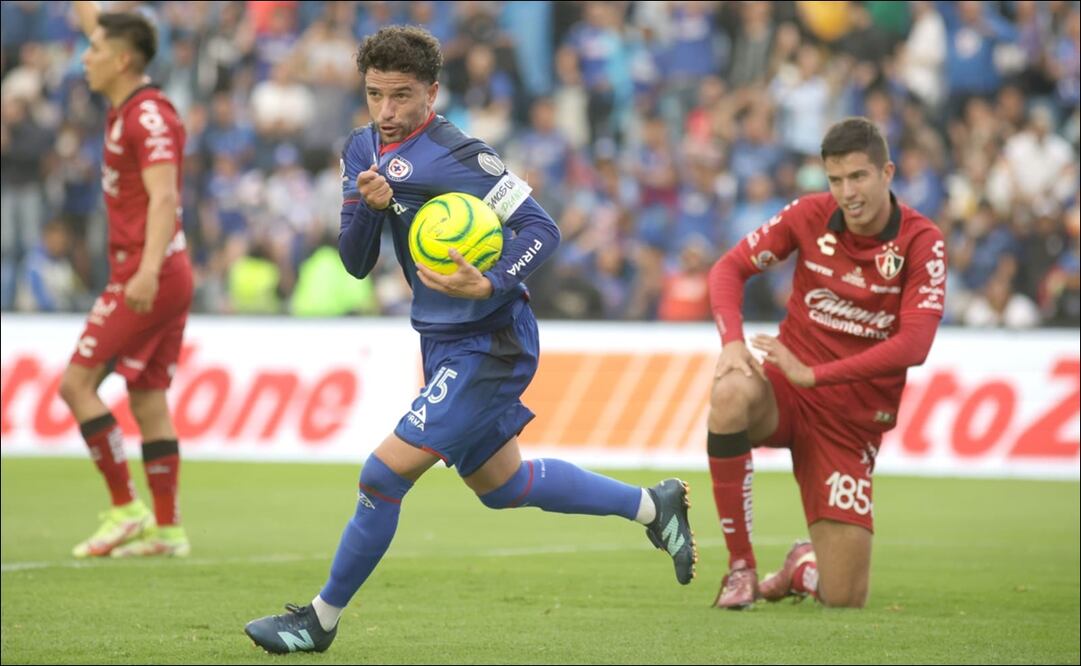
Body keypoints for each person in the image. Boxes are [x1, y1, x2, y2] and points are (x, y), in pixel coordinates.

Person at [244, 25, 697, 655]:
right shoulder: (360, 150)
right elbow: (353, 261)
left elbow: (542, 229)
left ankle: (318, 620)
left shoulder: (465, 156)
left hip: (493, 339)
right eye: (375, 95)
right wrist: (370, 205)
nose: (388, 111)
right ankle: (653, 506)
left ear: (432, 93)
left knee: (381, 477)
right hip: (439, 341)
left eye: (402, 96)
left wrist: (489, 282)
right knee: (502, 486)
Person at [706, 117, 947, 609]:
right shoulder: (809, 215)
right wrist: (732, 343)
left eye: (858, 177)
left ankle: (803, 567)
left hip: (849, 421)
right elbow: (729, 268)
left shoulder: (923, 242)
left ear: (887, 172)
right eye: (835, 180)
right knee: (729, 391)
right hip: (786, 394)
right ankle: (740, 568)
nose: (846, 193)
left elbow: (914, 345)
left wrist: (816, 374)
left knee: (844, 598)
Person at [59, 2, 192, 559]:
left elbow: (165, 196)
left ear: (120, 60)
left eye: (92, 51)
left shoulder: (147, 118)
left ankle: (125, 508)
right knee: (147, 400)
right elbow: (100, 26)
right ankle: (167, 531)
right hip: (163, 270)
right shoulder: (126, 91)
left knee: (75, 385)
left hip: (149, 272)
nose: (83, 57)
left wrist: (144, 270)